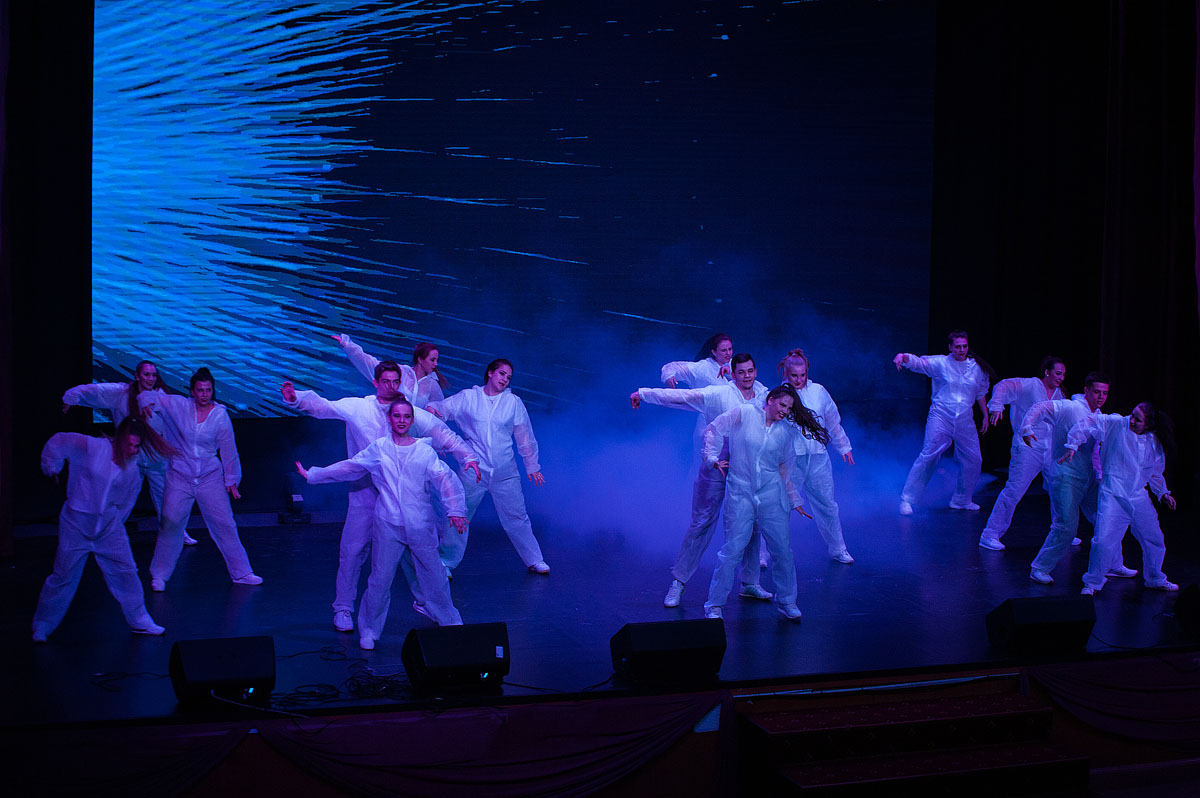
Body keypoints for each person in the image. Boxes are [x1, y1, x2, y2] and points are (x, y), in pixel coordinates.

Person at [281, 360, 479, 633]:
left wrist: (468, 456)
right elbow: (324, 407)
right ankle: (343, 608)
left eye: (396, 381)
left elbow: (441, 432)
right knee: (353, 551)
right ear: (375, 382)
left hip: (403, 496)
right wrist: (297, 399)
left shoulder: (405, 411)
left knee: (416, 553)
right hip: (365, 491)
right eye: (386, 381)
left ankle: (426, 602)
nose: (391, 386)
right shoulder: (359, 407)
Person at [631, 353, 771, 607]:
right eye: (741, 372)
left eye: (750, 371)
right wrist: (644, 394)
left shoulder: (764, 395)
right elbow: (682, 397)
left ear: (755, 371)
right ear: (733, 374)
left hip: (747, 467)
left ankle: (750, 581)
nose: (747, 376)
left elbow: (787, 408)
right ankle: (678, 581)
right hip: (717, 463)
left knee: (753, 522)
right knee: (702, 522)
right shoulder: (719, 394)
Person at [33, 418, 166, 641]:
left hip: (108, 527)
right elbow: (60, 441)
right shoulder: (93, 447)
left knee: (126, 572)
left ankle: (140, 620)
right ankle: (43, 624)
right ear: (120, 438)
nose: (133, 450)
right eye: (130, 444)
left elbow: (126, 502)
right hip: (76, 525)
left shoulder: (132, 469)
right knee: (63, 575)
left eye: (137, 446)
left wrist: (113, 524)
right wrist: (51, 465)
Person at [701, 384, 824, 621]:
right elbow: (715, 428)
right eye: (782, 404)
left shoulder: (784, 434)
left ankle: (787, 601)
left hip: (772, 494)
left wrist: (794, 499)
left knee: (782, 549)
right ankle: (714, 604)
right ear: (770, 400)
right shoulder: (745, 413)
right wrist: (711, 457)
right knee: (732, 550)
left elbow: (784, 469)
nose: (785, 411)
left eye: (789, 408)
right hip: (741, 491)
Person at [138, 367, 261, 590]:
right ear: (192, 391)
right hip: (180, 476)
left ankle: (242, 573)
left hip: (209, 477)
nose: (204, 394)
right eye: (200, 390)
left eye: (208, 390)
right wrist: (145, 402)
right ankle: (160, 575)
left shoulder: (219, 415)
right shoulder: (179, 406)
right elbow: (151, 396)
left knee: (225, 524)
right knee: (170, 524)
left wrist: (231, 479)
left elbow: (228, 449)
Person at [427, 359, 549, 573]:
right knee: (459, 514)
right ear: (490, 373)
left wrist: (532, 466)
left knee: (517, 517)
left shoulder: (512, 402)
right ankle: (446, 562)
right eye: (502, 373)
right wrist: (432, 409)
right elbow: (442, 410)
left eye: (508, 377)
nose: (505, 379)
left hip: (505, 472)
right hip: (474, 471)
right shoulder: (469, 397)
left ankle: (534, 560)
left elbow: (524, 436)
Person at [62, 361, 199, 546]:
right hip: (131, 455)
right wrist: (71, 397)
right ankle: (106, 534)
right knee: (122, 498)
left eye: (153, 375)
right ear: (137, 376)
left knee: (166, 497)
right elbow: (95, 390)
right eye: (146, 374)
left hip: (156, 456)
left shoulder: (160, 396)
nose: (150, 379)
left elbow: (176, 418)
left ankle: (176, 534)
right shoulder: (121, 393)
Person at [1020, 373, 1131, 584]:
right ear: (1086, 390)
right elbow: (1040, 408)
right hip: (1065, 476)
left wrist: (1099, 474)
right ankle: (1039, 567)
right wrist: (1027, 427)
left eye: (1104, 393)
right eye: (1097, 392)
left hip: (1088, 477)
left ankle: (1112, 564)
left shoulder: (1098, 415)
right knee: (1066, 527)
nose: (1101, 397)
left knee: (1107, 521)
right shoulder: (1070, 407)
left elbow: (1095, 450)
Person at [1064, 402, 1178, 595]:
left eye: (1137, 420)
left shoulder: (1153, 442)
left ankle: (1155, 578)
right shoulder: (1117, 424)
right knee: (1103, 540)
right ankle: (1093, 582)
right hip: (1113, 493)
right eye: (1132, 415)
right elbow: (1089, 421)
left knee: (1154, 538)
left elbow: (1155, 472)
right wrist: (1073, 443)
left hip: (1138, 495)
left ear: (1148, 425)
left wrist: (1163, 493)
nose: (1131, 420)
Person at [893, 330, 991, 514]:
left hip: (965, 419)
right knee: (929, 455)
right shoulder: (941, 363)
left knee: (974, 459)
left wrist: (985, 414)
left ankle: (961, 499)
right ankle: (907, 499)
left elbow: (980, 392)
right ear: (950, 347)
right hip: (941, 415)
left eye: (965, 346)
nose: (962, 350)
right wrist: (903, 356)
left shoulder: (976, 368)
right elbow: (920, 364)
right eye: (958, 347)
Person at [978, 356, 1067, 550]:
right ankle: (990, 534)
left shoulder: (1059, 394)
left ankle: (1063, 533)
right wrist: (996, 406)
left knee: (1059, 489)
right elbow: (1003, 386)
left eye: (1063, 375)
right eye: (1058, 373)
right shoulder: (1030, 385)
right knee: (1014, 490)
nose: (1061, 378)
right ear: (1047, 372)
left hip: (1050, 448)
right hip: (1027, 447)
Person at [778, 349, 855, 564]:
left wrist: (843, 446)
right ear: (786, 373)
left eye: (802, 375)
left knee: (827, 504)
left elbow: (832, 420)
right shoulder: (780, 394)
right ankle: (764, 553)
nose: (799, 379)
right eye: (794, 375)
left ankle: (838, 548)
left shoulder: (818, 391)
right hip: (791, 459)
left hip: (818, 457)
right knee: (780, 505)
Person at [335, 334, 449, 411]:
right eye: (432, 360)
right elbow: (371, 363)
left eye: (436, 360)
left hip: (414, 434)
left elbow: (440, 409)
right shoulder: (401, 371)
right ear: (420, 359)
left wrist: (432, 407)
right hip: (390, 426)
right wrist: (348, 345)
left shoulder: (432, 385)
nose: (436, 364)